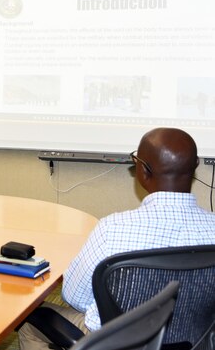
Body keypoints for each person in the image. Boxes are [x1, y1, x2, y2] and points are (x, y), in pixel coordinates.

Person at [19, 127, 215, 350]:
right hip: (194, 341)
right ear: (195, 166)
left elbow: (73, 296)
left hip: (115, 343)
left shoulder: (112, 229)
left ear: (143, 171)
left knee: (31, 325)